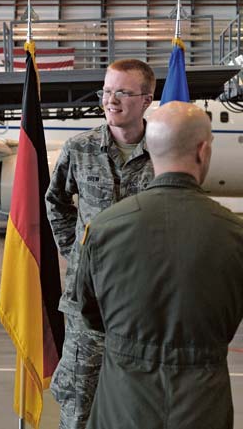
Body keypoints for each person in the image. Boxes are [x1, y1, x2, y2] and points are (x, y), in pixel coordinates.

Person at [76, 101, 243, 429]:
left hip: (123, 403)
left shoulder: (105, 228)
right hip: (202, 405)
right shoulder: (234, 233)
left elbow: (89, 313)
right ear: (203, 151)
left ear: (149, 149)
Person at [45, 59, 156, 429]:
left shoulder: (165, 152)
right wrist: (73, 251)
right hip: (85, 305)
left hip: (145, 303)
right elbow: (55, 201)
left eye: (123, 92)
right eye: (107, 91)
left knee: (140, 405)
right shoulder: (80, 148)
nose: (111, 100)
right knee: (78, 406)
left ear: (147, 99)